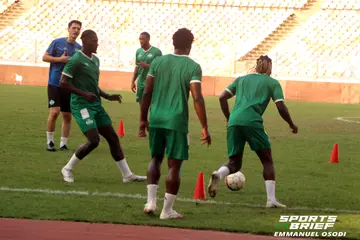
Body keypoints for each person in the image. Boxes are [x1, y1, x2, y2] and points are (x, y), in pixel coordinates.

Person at [207, 55, 298, 208]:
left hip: (234, 121)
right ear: (269, 67)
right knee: (267, 160)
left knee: (234, 162)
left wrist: (229, 118)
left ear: (256, 66)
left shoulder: (241, 79)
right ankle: (271, 200)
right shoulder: (272, 82)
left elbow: (222, 97)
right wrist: (291, 124)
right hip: (252, 122)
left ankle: (219, 174)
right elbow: (281, 106)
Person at [139, 28, 211, 219]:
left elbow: (146, 92)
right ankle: (167, 210)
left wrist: (143, 119)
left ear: (173, 43)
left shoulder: (157, 62)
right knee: (174, 166)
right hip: (176, 120)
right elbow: (197, 98)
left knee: (155, 158)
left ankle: (151, 202)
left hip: (156, 118)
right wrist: (204, 126)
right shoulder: (193, 66)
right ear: (190, 45)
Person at [59, 29, 146, 184]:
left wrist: (107, 96)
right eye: (94, 40)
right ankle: (67, 168)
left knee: (113, 137)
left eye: (97, 40)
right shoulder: (76, 59)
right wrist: (84, 94)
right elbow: (63, 82)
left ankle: (127, 175)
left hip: (95, 105)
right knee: (94, 140)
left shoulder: (95, 60)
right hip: (81, 105)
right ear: (84, 41)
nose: (97, 43)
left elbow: (92, 86)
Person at [43, 20, 82, 152]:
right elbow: (45, 57)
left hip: (68, 85)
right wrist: (60, 59)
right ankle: (50, 142)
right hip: (54, 83)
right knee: (54, 112)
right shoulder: (57, 42)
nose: (76, 31)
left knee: (67, 115)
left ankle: (63, 144)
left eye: (78, 29)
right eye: (74, 28)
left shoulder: (79, 48)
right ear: (68, 29)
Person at [131, 32, 162, 137]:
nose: (141, 41)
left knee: (153, 106)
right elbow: (137, 67)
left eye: (143, 39)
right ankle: (142, 129)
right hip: (141, 83)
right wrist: (133, 81)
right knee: (142, 106)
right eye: (140, 39)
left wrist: (147, 66)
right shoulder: (138, 52)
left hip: (153, 83)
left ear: (148, 39)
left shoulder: (156, 52)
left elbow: (159, 68)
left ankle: (152, 126)